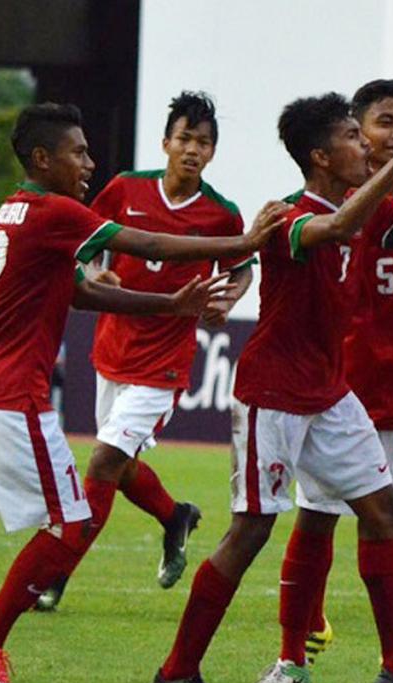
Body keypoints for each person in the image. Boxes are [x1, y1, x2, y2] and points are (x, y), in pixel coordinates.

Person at [150, 92, 393, 683]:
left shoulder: (366, 208)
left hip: (330, 393)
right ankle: (178, 670)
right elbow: (340, 228)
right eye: (356, 136)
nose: (370, 145)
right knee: (252, 530)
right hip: (274, 393)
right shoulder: (292, 219)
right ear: (322, 156)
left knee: (383, 513)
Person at [0, 102, 287, 683]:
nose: (89, 162)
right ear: (44, 159)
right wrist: (246, 241)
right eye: (78, 152)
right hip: (13, 394)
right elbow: (144, 242)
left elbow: (81, 293)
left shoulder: (12, 211)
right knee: (76, 520)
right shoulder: (57, 210)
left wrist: (170, 307)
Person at [35, 91, 254, 612]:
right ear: (166, 142)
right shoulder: (125, 189)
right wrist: (93, 272)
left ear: (212, 153)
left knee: (104, 462)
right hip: (113, 349)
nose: (193, 150)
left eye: (203, 143)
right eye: (185, 139)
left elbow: (242, 263)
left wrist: (229, 296)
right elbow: (82, 247)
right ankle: (175, 515)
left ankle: (53, 577)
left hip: (165, 362)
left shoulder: (221, 215)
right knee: (122, 465)